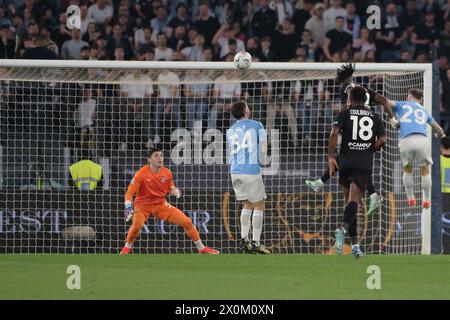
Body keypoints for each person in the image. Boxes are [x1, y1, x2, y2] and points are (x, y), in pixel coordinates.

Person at [306, 63, 396, 215]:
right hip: (368, 130)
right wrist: (392, 120)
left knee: (347, 157)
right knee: (354, 161)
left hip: (354, 126)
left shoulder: (347, 88)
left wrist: (340, 118)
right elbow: (383, 100)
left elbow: (347, 102)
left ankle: (321, 183)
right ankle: (321, 183)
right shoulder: (363, 90)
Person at [120, 148, 220, 255]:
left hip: (160, 205)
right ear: (149, 159)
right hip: (142, 205)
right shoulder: (141, 174)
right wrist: (128, 206)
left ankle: (201, 248)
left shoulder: (167, 173)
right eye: (156, 155)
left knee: (187, 222)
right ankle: (127, 247)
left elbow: (171, 188)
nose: (160, 158)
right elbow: (129, 193)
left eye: (161, 155)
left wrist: (175, 191)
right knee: (136, 226)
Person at [329, 86, 387, 258]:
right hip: (363, 163)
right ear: (365, 99)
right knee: (354, 202)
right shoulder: (375, 117)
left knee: (348, 203)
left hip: (345, 161)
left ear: (351, 99)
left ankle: (355, 246)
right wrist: (371, 148)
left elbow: (334, 132)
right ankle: (342, 230)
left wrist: (330, 156)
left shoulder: (345, 113)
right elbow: (383, 140)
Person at [379, 89, 446, 209]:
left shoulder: (401, 104)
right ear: (421, 100)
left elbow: (385, 102)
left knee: (407, 169)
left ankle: (410, 198)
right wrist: (440, 135)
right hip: (422, 140)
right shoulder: (424, 110)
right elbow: (438, 129)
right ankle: (426, 200)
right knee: (425, 170)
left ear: (408, 96)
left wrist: (391, 118)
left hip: (406, 140)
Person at [226, 101, 271, 254]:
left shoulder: (230, 130)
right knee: (259, 204)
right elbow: (264, 150)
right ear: (246, 111)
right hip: (251, 170)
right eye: (248, 107)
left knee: (247, 204)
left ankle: (245, 240)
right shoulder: (257, 125)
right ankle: (256, 242)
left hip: (235, 171)